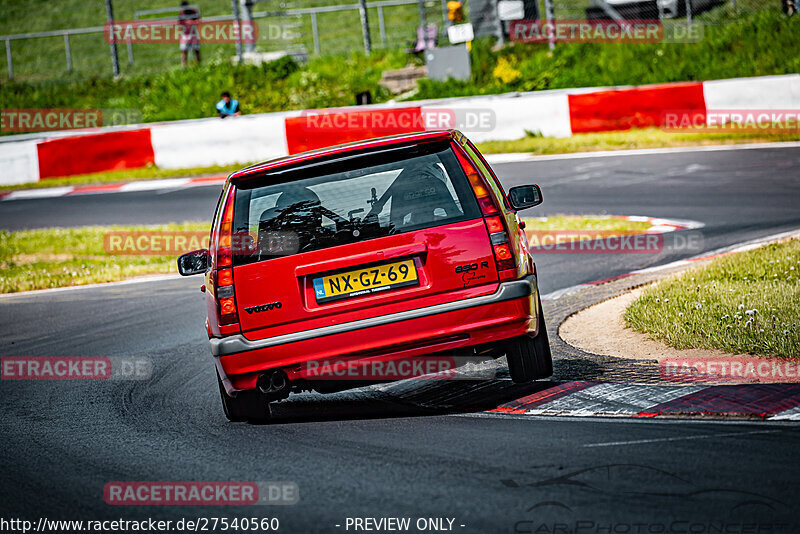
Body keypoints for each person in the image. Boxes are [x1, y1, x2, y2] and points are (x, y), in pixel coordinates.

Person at [178, 1, 201, 66]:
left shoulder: (193, 12)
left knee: (196, 50)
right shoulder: (181, 13)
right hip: (185, 34)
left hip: (193, 34)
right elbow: (180, 23)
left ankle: (199, 65)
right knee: (184, 51)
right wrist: (188, 23)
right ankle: (183, 67)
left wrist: (190, 22)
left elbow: (198, 21)